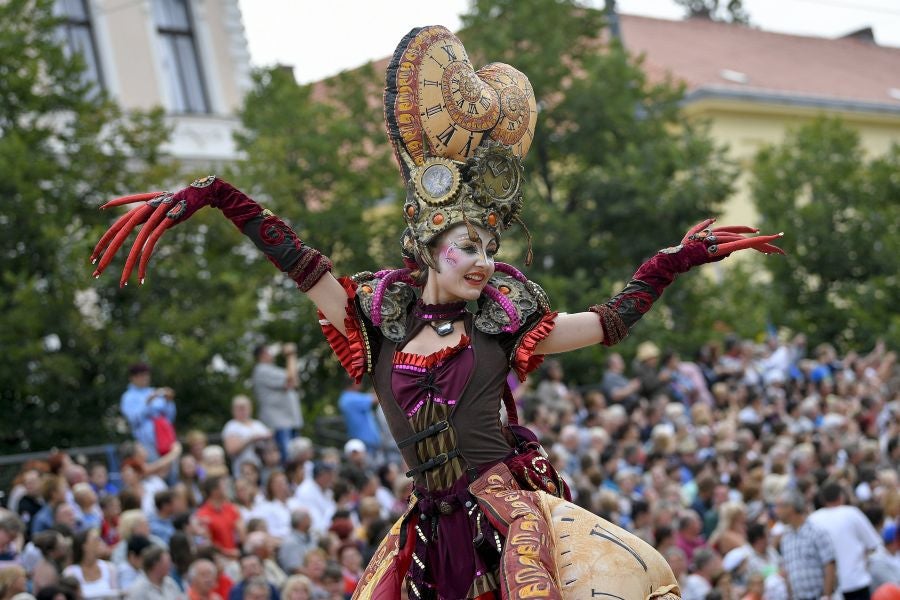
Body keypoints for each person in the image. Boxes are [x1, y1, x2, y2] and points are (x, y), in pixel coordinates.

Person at [91, 24, 784, 600]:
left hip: (503, 517)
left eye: (490, 246)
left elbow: (607, 323)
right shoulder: (376, 316)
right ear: (428, 246)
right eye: (467, 246)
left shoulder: (503, 319)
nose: (483, 260)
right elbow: (301, 262)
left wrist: (674, 262)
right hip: (429, 530)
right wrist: (222, 196)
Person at [808, 481, 882, 600]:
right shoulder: (851, 513)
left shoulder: (813, 519)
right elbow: (873, 543)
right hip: (855, 581)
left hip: (828, 586)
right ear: (841, 496)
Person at [775, 490, 836, 600]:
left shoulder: (816, 532)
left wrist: (827, 596)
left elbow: (829, 564)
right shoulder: (786, 538)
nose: (776, 511)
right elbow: (789, 573)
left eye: (779, 506)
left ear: (790, 508)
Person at [252, 343, 302, 464]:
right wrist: (291, 355)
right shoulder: (261, 370)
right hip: (278, 423)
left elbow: (294, 381)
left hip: (289, 422)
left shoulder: (272, 369)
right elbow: (290, 378)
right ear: (262, 354)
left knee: (295, 459)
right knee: (287, 460)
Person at [120, 363, 176, 462]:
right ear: (132, 378)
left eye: (146, 375)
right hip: (146, 444)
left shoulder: (155, 391)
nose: (145, 378)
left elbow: (170, 417)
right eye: (141, 375)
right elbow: (133, 420)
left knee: (172, 474)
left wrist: (169, 401)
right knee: (155, 475)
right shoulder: (128, 397)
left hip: (166, 440)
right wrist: (147, 404)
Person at [222, 396, 272, 479]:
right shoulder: (231, 426)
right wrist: (250, 440)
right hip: (243, 470)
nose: (242, 411)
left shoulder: (258, 424)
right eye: (239, 408)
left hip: (263, 468)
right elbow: (231, 450)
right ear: (233, 410)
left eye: (244, 408)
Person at [62, 528, 119, 599]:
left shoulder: (110, 568)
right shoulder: (70, 573)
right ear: (84, 546)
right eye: (96, 540)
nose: (101, 542)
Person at [337, 382, 381, 455]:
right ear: (353, 383)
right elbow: (377, 398)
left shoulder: (346, 398)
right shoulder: (351, 399)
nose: (361, 382)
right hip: (366, 445)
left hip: (365, 444)